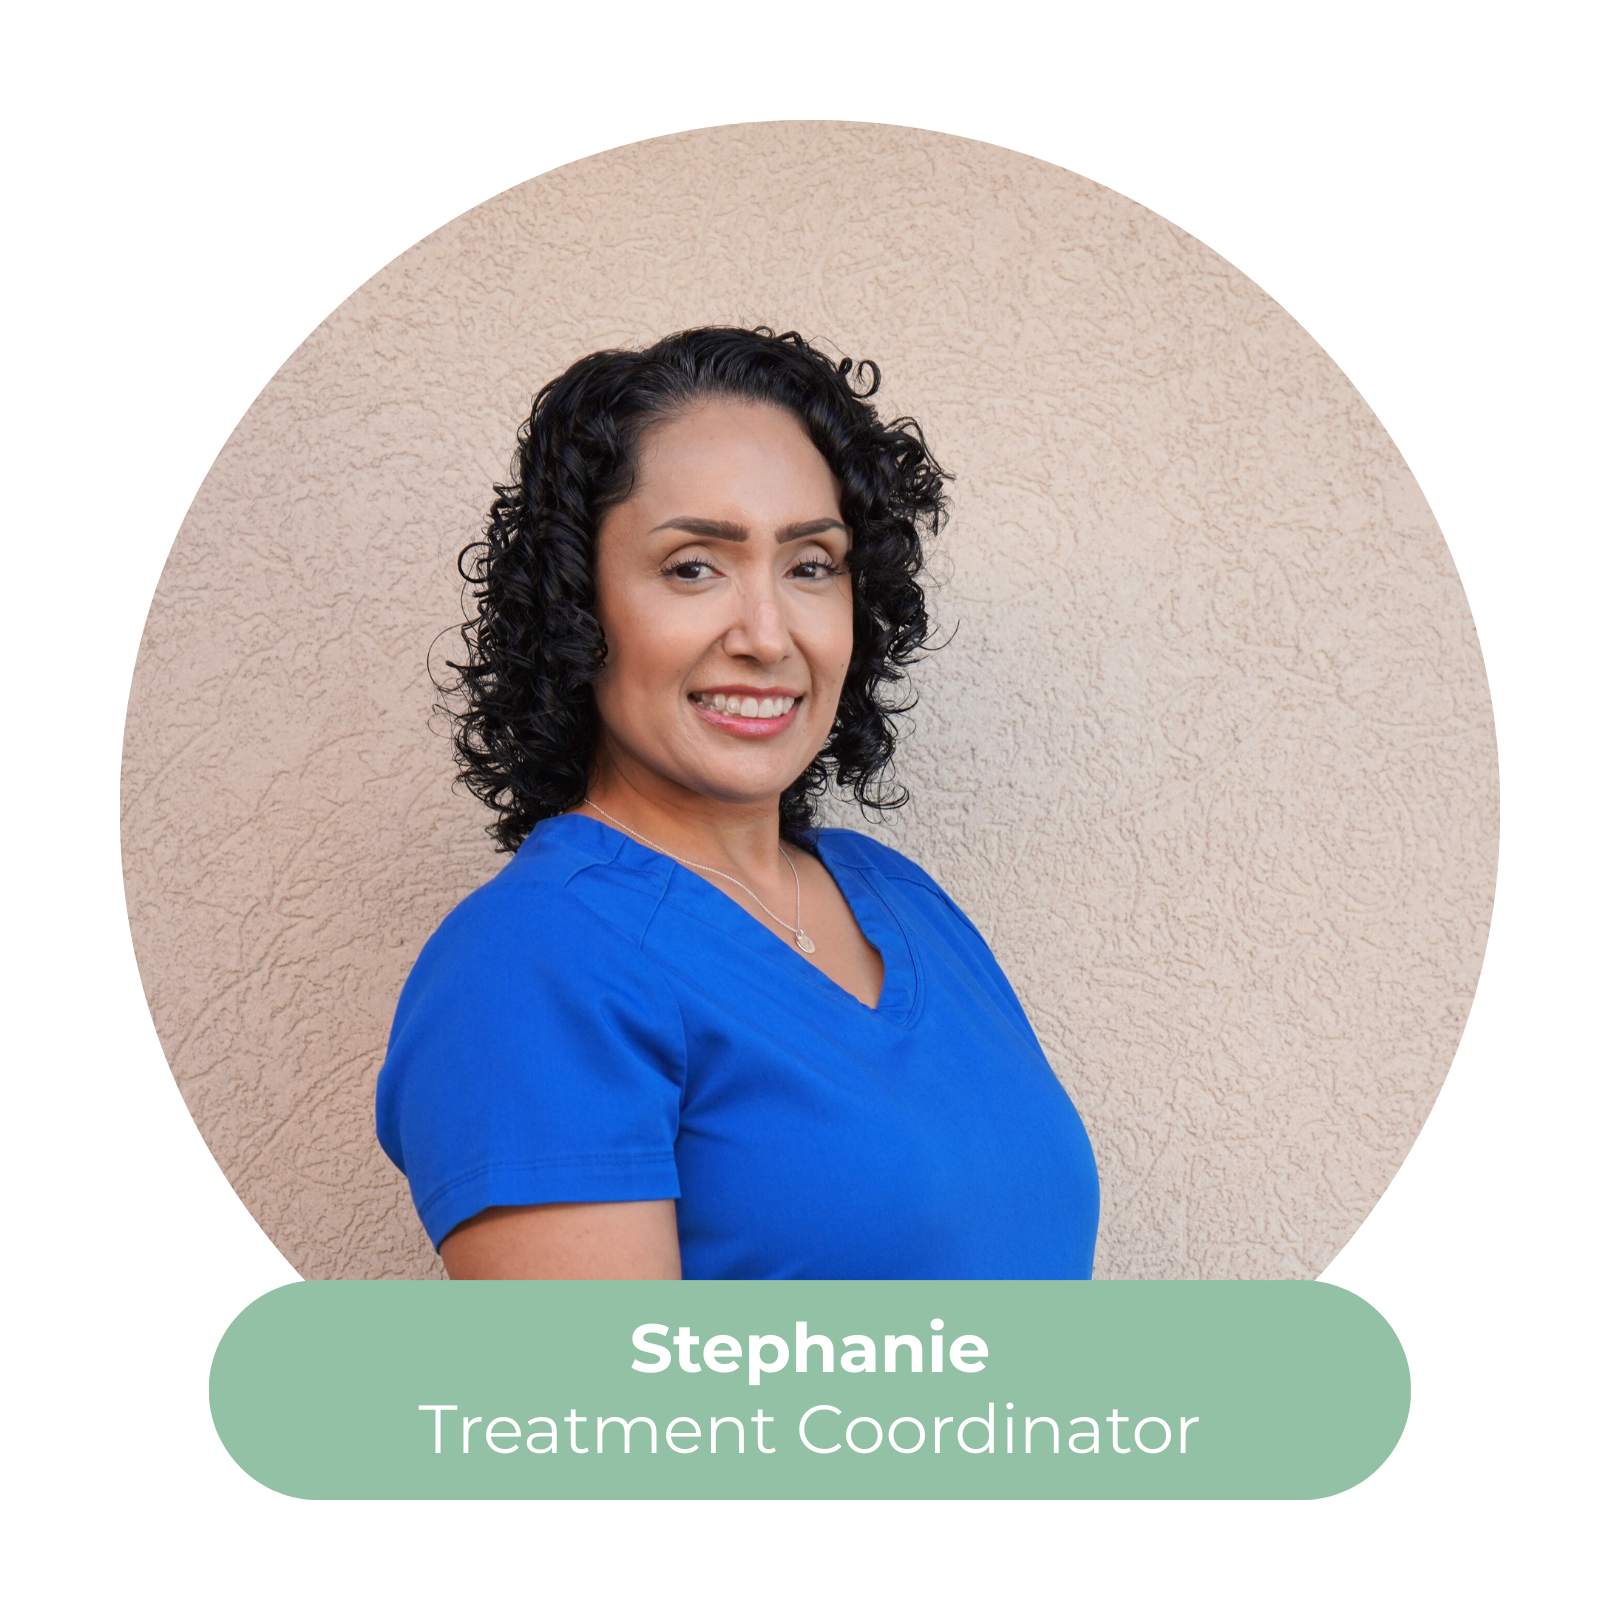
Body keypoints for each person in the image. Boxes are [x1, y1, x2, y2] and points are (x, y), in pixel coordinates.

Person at [375, 327, 1099, 1279]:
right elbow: (608, 1423)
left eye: (811, 565)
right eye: (693, 567)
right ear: (578, 608)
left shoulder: (900, 896)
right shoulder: (531, 964)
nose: (767, 634)